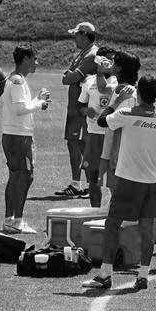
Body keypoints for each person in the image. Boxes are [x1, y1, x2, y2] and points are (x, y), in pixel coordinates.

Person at [82, 74, 156, 290]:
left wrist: (116, 101)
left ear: (138, 93)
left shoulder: (126, 113)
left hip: (127, 181)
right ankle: (143, 275)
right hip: (152, 182)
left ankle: (105, 274)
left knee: (112, 224)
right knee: (147, 227)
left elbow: (102, 121)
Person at [1, 45, 51, 234]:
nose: (37, 63)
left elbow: (21, 106)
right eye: (34, 59)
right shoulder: (17, 81)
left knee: (16, 176)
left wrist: (37, 99)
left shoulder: (16, 79)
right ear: (25, 60)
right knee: (25, 176)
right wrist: (40, 103)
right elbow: (19, 110)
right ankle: (16, 221)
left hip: (16, 135)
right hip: (18, 137)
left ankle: (11, 220)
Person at [56, 22, 98, 198]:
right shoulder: (82, 54)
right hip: (75, 107)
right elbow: (67, 78)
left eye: (77, 34)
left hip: (82, 107)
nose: (75, 37)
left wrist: (70, 76)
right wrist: (70, 76)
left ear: (84, 34)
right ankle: (79, 184)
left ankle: (88, 185)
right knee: (76, 144)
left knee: (82, 145)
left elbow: (70, 77)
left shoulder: (91, 55)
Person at [78, 46, 118, 207]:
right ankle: (95, 211)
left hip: (113, 135)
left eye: (112, 59)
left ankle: (115, 213)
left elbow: (105, 90)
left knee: (114, 178)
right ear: (97, 60)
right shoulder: (88, 82)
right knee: (93, 178)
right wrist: (87, 111)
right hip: (94, 135)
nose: (110, 62)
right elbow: (80, 107)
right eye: (106, 59)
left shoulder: (118, 82)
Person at [97, 51, 140, 193]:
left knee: (117, 196)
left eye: (114, 62)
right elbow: (103, 88)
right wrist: (100, 73)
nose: (112, 64)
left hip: (119, 152)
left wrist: (109, 157)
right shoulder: (132, 89)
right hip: (131, 151)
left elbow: (112, 124)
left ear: (120, 68)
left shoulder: (122, 91)